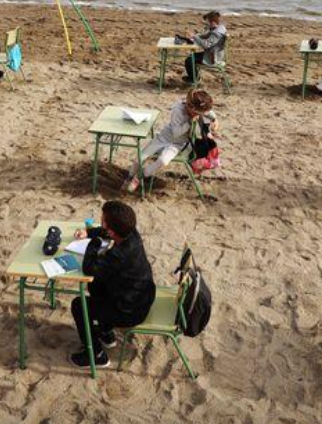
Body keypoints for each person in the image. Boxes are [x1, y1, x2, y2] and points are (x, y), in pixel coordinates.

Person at [68, 201, 156, 369]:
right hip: (139, 296)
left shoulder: (120, 254)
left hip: (131, 311)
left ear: (112, 231)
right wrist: (89, 232)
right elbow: (106, 232)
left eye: (102, 221)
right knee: (96, 284)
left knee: (79, 305)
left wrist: (94, 243)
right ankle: (106, 332)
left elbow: (88, 268)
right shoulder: (131, 233)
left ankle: (96, 355)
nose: (101, 222)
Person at [124, 89, 216, 193]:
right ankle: (129, 177)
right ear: (190, 107)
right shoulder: (177, 110)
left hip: (178, 144)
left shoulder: (200, 110)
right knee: (139, 159)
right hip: (164, 137)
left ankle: (141, 175)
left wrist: (215, 120)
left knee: (163, 161)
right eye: (196, 112)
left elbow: (210, 113)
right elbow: (176, 133)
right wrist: (190, 122)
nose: (198, 115)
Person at [183, 10, 227, 85]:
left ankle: (194, 80)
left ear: (213, 22)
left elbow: (206, 45)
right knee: (192, 57)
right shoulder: (220, 28)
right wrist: (195, 36)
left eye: (208, 22)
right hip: (213, 53)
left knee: (189, 60)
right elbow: (206, 35)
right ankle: (194, 77)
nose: (207, 24)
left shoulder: (217, 33)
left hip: (213, 57)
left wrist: (194, 36)